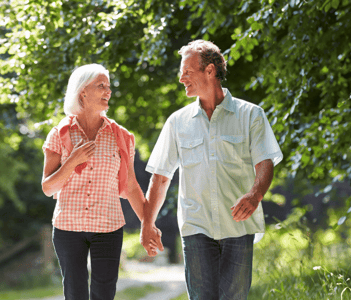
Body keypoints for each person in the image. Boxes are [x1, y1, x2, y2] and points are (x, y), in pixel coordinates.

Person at [140, 40, 283, 299]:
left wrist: (255, 195)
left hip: (239, 228)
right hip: (197, 227)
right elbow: (160, 177)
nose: (181, 78)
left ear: (210, 71)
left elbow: (265, 163)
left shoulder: (251, 115)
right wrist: (147, 223)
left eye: (187, 71)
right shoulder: (177, 122)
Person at [41, 64, 154, 300]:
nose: (108, 91)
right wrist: (71, 162)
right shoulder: (60, 134)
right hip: (68, 227)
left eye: (109, 87)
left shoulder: (120, 136)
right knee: (75, 293)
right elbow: (48, 186)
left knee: (104, 293)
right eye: (101, 86)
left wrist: (148, 223)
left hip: (108, 227)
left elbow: (131, 186)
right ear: (82, 91)